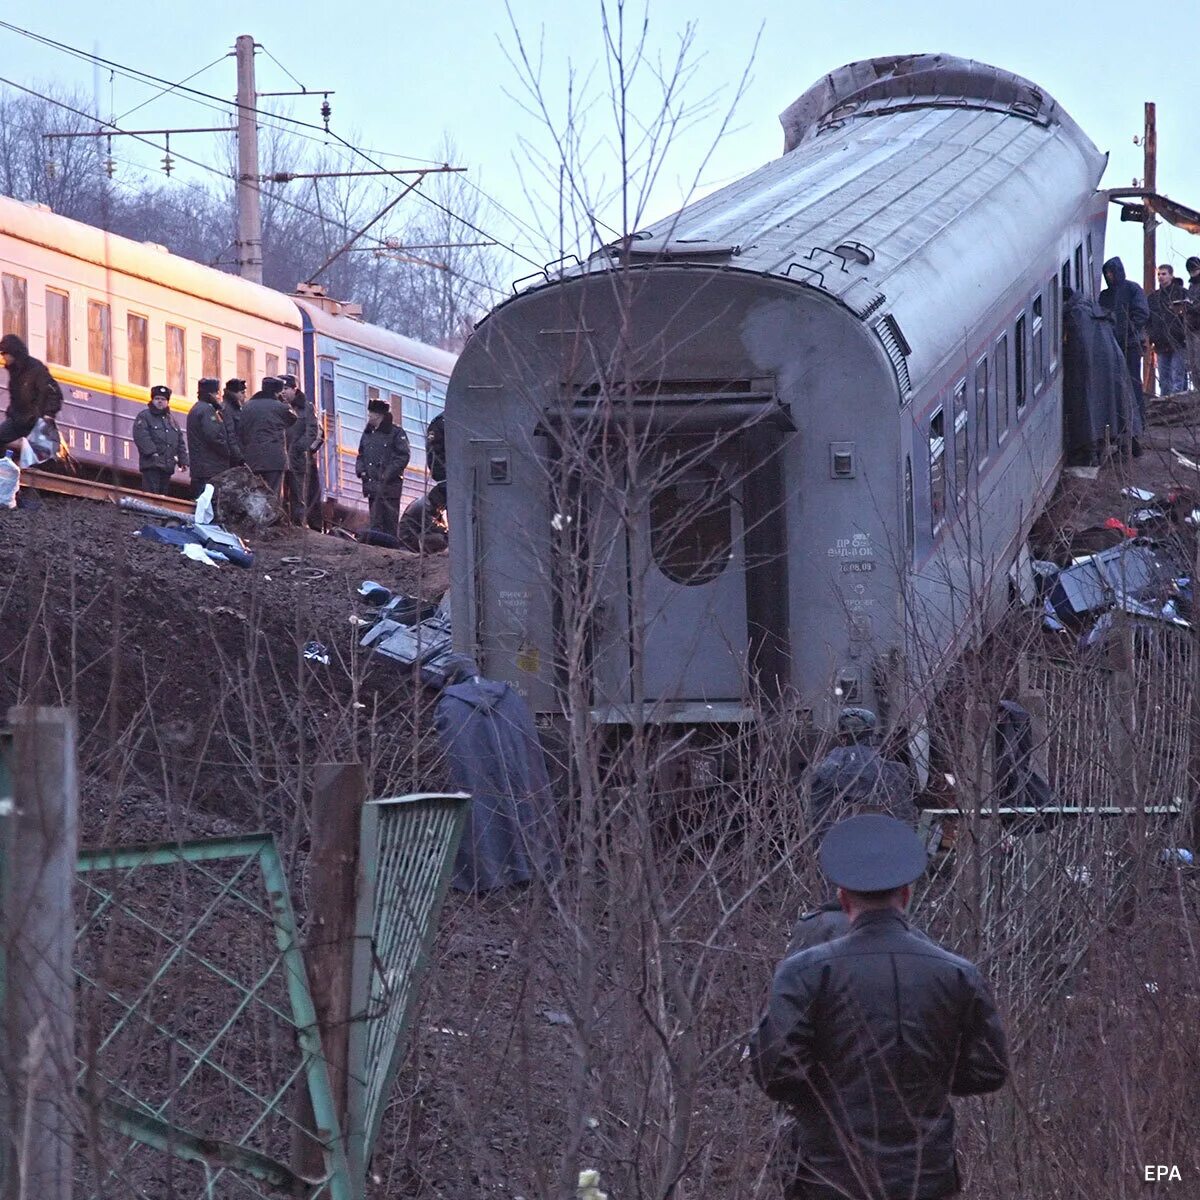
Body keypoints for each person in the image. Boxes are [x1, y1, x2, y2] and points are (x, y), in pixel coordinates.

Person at [749, 813, 1010, 1200]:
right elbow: (989, 1070)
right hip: (926, 1178)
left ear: (842, 899)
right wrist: (930, 1077)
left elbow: (776, 1074)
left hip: (829, 1179)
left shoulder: (803, 972)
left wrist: (829, 1088)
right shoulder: (957, 974)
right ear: (906, 896)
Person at [805, 707, 916, 834]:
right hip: (888, 838)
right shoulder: (894, 770)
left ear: (842, 736)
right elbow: (905, 817)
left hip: (837, 840)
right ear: (870, 733)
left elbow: (814, 814)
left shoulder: (826, 767)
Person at [1098, 256, 1150, 449]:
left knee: (1134, 384)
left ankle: (1138, 424)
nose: (1110, 276)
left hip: (1131, 344)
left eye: (1112, 272)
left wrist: (1127, 330)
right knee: (1115, 386)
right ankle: (1119, 425)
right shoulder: (1105, 296)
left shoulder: (1132, 289)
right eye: (1107, 273)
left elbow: (1142, 313)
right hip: (1112, 346)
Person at [356, 397, 411, 540]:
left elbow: (403, 456)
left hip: (390, 488)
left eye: (371, 413)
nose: (369, 416)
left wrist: (387, 474)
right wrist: (361, 471)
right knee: (375, 522)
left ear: (378, 415)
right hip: (372, 486)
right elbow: (361, 454)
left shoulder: (396, 433)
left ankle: (389, 547)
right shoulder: (368, 434)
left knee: (389, 523)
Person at [0, 333, 63, 449]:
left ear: (13, 353)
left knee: (37, 454)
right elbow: (16, 397)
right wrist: (11, 413)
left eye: (4, 353)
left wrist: (48, 415)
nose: (3, 357)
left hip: (36, 421)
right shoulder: (14, 371)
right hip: (18, 419)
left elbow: (54, 393)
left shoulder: (36, 368)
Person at [238, 376, 296, 498]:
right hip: (274, 459)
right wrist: (284, 402)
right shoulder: (281, 407)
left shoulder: (247, 406)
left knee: (254, 495)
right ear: (277, 391)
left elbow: (241, 430)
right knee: (272, 495)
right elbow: (293, 419)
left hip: (252, 459)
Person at [281, 374, 325, 530]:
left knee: (299, 493)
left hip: (299, 458)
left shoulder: (306, 408)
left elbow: (313, 431)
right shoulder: (278, 406)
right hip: (280, 457)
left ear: (295, 389)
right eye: (281, 388)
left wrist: (300, 448)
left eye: (286, 388)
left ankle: (299, 525)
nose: (283, 392)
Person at [186, 377, 236, 498]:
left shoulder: (197, 408)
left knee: (200, 500)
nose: (218, 397)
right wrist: (228, 452)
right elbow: (214, 436)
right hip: (210, 468)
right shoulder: (207, 410)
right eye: (216, 393)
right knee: (209, 501)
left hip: (201, 468)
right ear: (210, 394)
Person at [131, 385, 187, 495]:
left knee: (162, 497)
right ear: (152, 400)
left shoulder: (172, 421)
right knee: (150, 496)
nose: (160, 401)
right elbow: (141, 436)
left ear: (167, 402)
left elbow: (179, 442)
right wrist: (153, 453)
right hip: (151, 465)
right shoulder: (144, 416)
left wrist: (183, 461)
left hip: (167, 467)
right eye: (157, 398)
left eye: (163, 399)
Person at [1147, 264, 1189, 396]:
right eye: (1159, 274)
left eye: (1164, 274)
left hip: (1179, 341)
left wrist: (1184, 334)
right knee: (1164, 381)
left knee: (1177, 378)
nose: (1161, 277)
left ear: (1171, 275)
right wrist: (1152, 336)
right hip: (1160, 343)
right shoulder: (1153, 298)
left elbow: (1189, 316)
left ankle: (1180, 406)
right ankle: (1165, 406)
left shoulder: (1181, 293)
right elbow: (1148, 320)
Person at [396, 482, 448, 553]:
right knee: (441, 539)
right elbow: (432, 528)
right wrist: (447, 531)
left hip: (416, 534)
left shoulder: (430, 502)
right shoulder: (425, 506)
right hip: (407, 539)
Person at [1182, 256, 1200, 390]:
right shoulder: (1191, 286)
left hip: (1198, 327)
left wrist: (1191, 307)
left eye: (1195, 269)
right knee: (1192, 365)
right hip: (1190, 327)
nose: (1193, 272)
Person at [221, 378, 248, 461]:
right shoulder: (227, 409)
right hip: (233, 458)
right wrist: (239, 457)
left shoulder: (237, 408)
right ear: (234, 393)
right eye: (242, 393)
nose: (245, 396)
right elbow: (230, 436)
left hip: (238, 454)